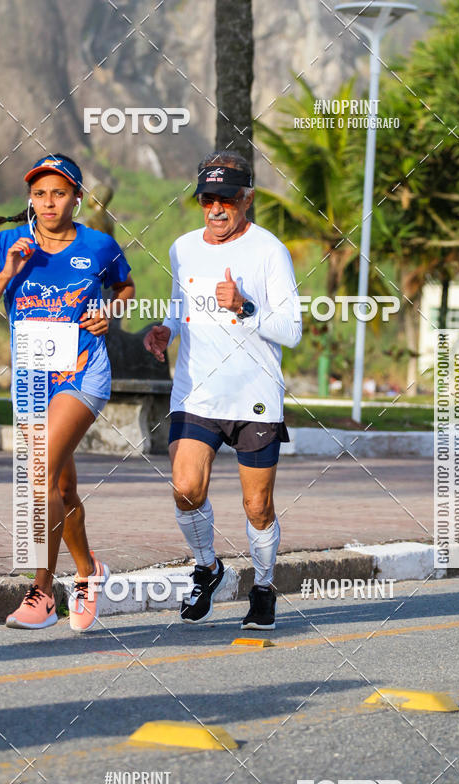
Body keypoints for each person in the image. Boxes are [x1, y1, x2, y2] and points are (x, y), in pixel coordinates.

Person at [0, 153, 135, 632]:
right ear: (30, 199)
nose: (48, 202)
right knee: (61, 486)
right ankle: (89, 572)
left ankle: (42, 591)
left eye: (59, 193)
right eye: (40, 193)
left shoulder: (99, 245)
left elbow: (126, 287)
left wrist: (108, 309)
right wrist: (7, 273)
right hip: (32, 380)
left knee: (39, 476)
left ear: (77, 198)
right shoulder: (5, 244)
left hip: (82, 373)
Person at [144, 150, 302, 630]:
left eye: (226, 200)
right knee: (186, 488)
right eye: (207, 199)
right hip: (197, 393)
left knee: (258, 507)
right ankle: (207, 566)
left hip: (255, 397)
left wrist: (246, 305)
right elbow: (178, 307)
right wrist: (165, 330)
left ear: (246, 199)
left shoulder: (269, 250)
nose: (215, 209)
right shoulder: (182, 248)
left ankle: (263, 586)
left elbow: (292, 329)